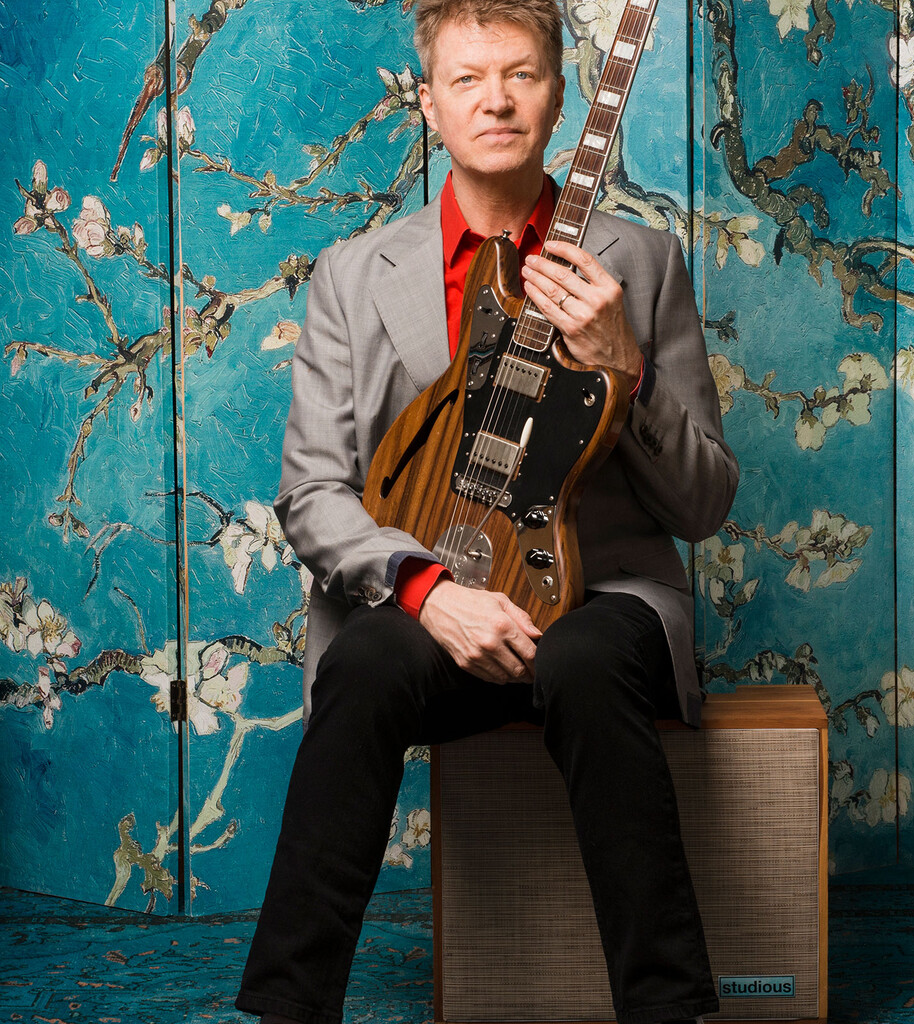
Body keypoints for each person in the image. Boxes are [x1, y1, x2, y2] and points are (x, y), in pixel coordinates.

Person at [234, 1, 739, 1022]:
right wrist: (427, 591)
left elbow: (703, 503)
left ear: (558, 94)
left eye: (520, 75)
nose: (495, 100)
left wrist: (625, 370)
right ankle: (288, 1007)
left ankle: (667, 1008)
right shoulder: (352, 276)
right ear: (428, 103)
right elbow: (313, 493)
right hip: (434, 599)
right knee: (364, 665)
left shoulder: (642, 262)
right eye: (466, 79)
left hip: (599, 597)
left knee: (583, 661)